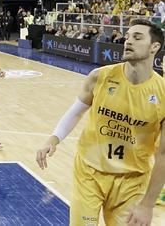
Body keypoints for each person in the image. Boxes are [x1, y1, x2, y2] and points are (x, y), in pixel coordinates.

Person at [36, 19, 165, 225]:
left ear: (154, 47)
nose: (128, 41)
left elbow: (163, 155)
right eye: (128, 36)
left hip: (132, 181)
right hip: (90, 174)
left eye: (137, 37)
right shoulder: (100, 76)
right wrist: (53, 139)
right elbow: (75, 112)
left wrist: (148, 205)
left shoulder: (162, 93)